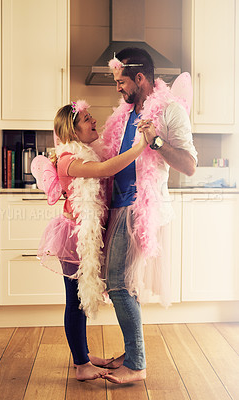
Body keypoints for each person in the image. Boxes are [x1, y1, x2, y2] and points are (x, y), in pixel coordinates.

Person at [31, 99, 154, 381]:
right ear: (73, 131)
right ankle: (81, 366)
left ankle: (83, 357)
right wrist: (140, 146)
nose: (93, 120)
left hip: (85, 234)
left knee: (80, 300)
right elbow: (106, 171)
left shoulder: (85, 154)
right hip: (74, 238)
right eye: (87, 118)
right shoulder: (68, 160)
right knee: (74, 302)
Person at [100, 48, 198, 384]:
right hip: (117, 207)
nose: (118, 88)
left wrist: (155, 141)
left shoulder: (170, 111)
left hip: (142, 207)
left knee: (118, 284)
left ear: (140, 78)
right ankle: (130, 354)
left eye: (121, 81)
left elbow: (189, 165)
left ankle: (137, 364)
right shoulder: (124, 114)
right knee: (126, 284)